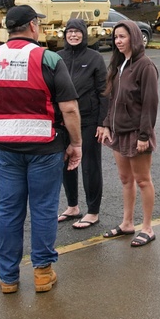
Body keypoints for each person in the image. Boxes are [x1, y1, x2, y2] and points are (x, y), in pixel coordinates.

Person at [0, 5, 82, 294]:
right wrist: (76, 144)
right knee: (44, 208)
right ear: (33, 26)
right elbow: (70, 108)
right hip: (45, 147)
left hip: (5, 147)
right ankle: (42, 274)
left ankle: (8, 278)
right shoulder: (48, 59)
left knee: (9, 209)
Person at [97, 20, 160, 247]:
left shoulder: (145, 66)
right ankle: (127, 224)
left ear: (133, 37)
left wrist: (144, 135)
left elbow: (150, 104)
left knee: (143, 181)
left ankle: (147, 228)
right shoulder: (119, 65)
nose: (118, 41)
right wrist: (106, 125)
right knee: (125, 180)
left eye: (122, 37)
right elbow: (112, 101)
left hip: (137, 133)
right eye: (115, 38)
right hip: (118, 132)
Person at [57, 18, 108, 230]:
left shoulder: (95, 58)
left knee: (90, 166)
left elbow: (104, 92)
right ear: (65, 34)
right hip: (63, 120)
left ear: (84, 34)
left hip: (88, 120)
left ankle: (93, 211)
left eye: (78, 32)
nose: (73, 36)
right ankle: (73, 207)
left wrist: (102, 123)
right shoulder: (58, 57)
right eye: (70, 32)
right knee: (66, 164)